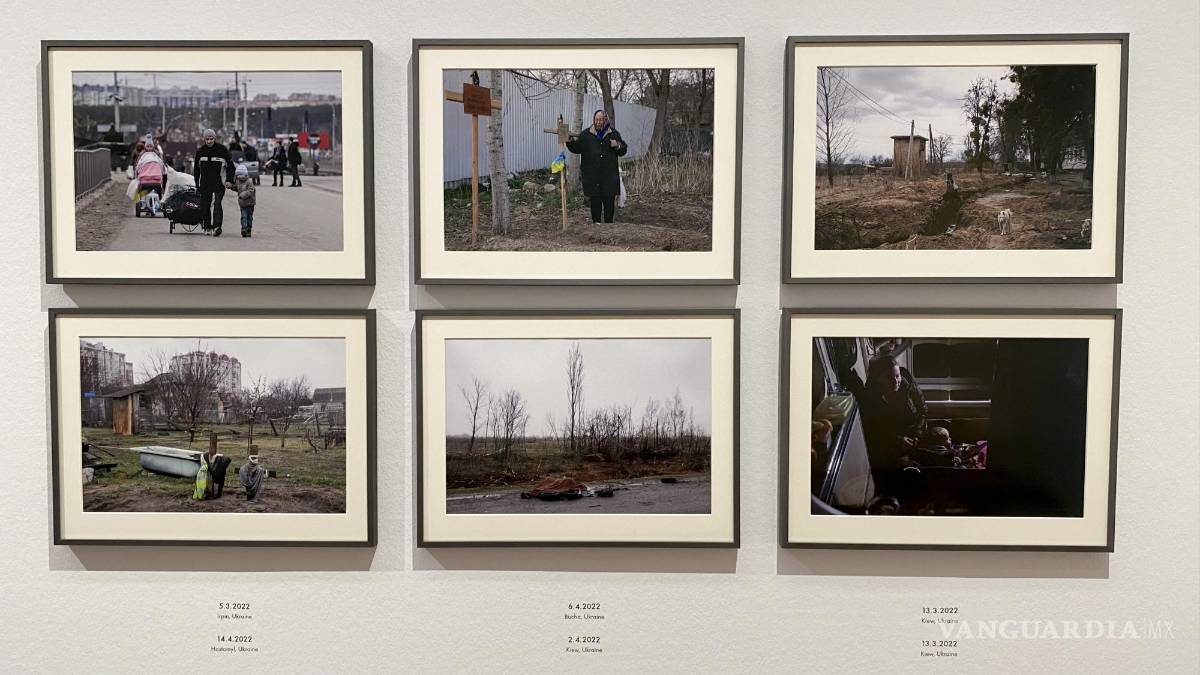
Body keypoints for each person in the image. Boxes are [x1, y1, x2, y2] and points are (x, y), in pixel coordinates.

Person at [839, 353, 928, 502]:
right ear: (878, 380)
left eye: (897, 376)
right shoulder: (870, 399)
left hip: (913, 438)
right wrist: (897, 441)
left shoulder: (908, 384)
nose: (896, 381)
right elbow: (871, 432)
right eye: (888, 378)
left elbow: (923, 409)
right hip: (889, 447)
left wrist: (918, 434)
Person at [566, 109, 628, 223]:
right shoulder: (586, 135)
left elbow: (623, 150)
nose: (598, 122)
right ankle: (596, 227)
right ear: (593, 120)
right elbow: (576, 148)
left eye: (601, 120)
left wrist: (617, 145)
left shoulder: (613, 134)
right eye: (596, 119)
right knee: (595, 206)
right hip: (593, 178)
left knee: (609, 206)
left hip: (609, 178)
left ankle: (608, 228)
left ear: (605, 120)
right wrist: (569, 141)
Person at [193, 128, 235, 236]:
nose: (209, 141)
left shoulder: (222, 150)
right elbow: (196, 170)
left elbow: (231, 166)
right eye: (207, 139)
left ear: (215, 138)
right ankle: (207, 227)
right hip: (205, 183)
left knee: (217, 204)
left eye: (211, 139)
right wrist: (196, 184)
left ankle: (217, 227)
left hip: (218, 183)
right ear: (204, 139)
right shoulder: (200, 151)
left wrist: (229, 180)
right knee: (205, 205)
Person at [234, 164, 256, 238]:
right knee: (243, 216)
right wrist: (230, 186)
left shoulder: (249, 182)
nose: (239, 177)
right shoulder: (238, 182)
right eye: (238, 175)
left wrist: (242, 195)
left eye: (240, 175)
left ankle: (249, 229)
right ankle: (244, 229)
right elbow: (236, 188)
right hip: (242, 204)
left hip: (250, 203)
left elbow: (251, 190)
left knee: (249, 217)